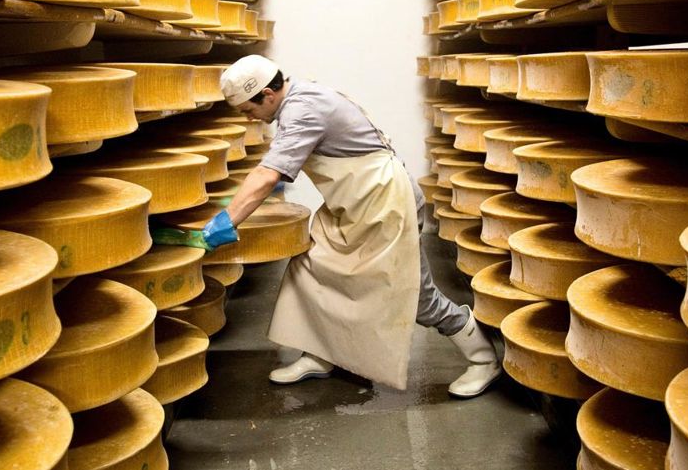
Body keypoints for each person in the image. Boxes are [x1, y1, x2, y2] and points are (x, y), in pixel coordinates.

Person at [199, 55, 500, 398]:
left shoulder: (303, 110)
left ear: (267, 94)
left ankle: (483, 359)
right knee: (313, 268)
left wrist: (226, 221)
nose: (249, 118)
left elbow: (268, 175)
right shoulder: (300, 97)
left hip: (387, 204)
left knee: (413, 294)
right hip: (356, 204)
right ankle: (322, 354)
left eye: (247, 110)